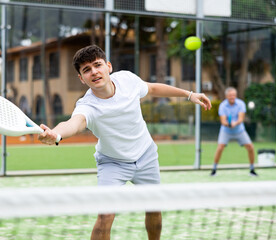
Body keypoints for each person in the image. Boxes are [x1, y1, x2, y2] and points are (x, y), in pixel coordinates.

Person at [38, 45, 212, 240]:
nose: (94, 72)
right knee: (105, 215)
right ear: (81, 78)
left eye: (97, 65)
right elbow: (74, 123)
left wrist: (190, 94)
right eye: (86, 70)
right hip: (113, 163)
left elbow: (153, 88)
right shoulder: (87, 106)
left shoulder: (128, 80)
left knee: (154, 208)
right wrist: (56, 134)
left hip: (146, 155)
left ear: (108, 66)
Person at [211, 87, 258, 177]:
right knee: (220, 147)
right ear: (226, 96)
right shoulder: (223, 106)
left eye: (233, 95)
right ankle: (214, 169)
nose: (232, 97)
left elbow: (240, 119)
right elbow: (223, 121)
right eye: (230, 95)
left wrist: (234, 123)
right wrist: (228, 124)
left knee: (250, 147)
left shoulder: (241, 104)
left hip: (240, 130)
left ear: (235, 96)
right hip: (226, 131)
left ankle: (252, 169)